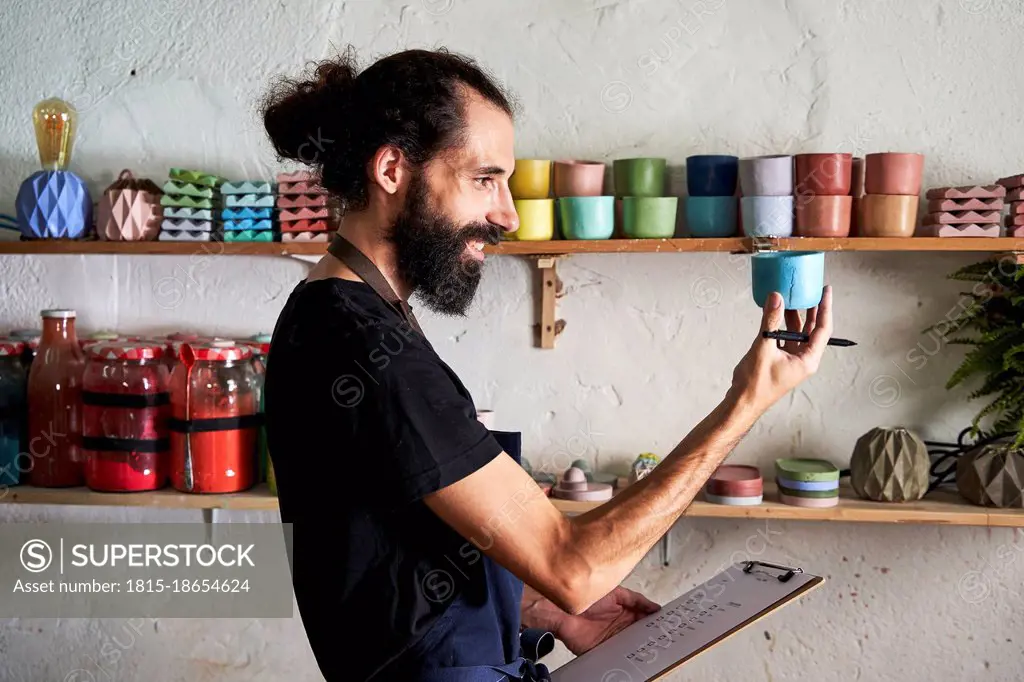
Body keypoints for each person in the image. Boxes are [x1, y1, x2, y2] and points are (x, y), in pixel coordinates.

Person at [260, 46, 833, 682]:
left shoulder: (354, 317)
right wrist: (746, 404)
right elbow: (574, 565)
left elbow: (387, 558)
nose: (506, 214)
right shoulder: (357, 339)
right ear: (392, 169)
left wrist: (541, 611)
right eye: (484, 179)